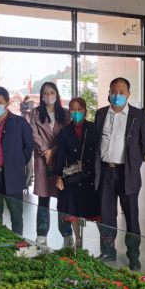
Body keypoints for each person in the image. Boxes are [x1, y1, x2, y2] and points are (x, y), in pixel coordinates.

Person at [94, 77, 145, 270]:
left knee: (131, 215)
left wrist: (133, 163)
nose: (117, 95)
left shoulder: (138, 116)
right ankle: (107, 251)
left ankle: (133, 255)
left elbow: (144, 144)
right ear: (109, 92)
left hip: (127, 172)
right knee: (107, 214)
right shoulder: (101, 114)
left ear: (128, 94)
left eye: (121, 92)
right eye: (113, 91)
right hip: (105, 171)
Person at [0, 87, 34, 235]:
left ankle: (17, 243)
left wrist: (18, 164)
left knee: (16, 215)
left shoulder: (20, 123)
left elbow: (29, 147)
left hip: (13, 176)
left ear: (7, 103)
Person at [55, 98, 101, 249]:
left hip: (91, 175)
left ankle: (105, 240)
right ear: (69, 112)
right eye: (73, 110)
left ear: (85, 111)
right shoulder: (64, 131)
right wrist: (59, 178)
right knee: (73, 209)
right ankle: (78, 239)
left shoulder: (94, 128)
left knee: (97, 210)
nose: (76, 112)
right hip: (73, 177)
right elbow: (60, 155)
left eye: (79, 109)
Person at [29, 82, 71, 244]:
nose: (48, 96)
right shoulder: (35, 113)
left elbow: (68, 136)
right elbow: (34, 134)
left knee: (63, 198)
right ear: (41, 95)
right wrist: (45, 151)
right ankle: (41, 233)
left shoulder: (65, 114)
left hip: (62, 159)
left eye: (52, 92)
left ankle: (66, 233)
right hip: (43, 160)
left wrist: (53, 151)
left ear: (57, 94)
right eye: (45, 93)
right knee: (43, 198)